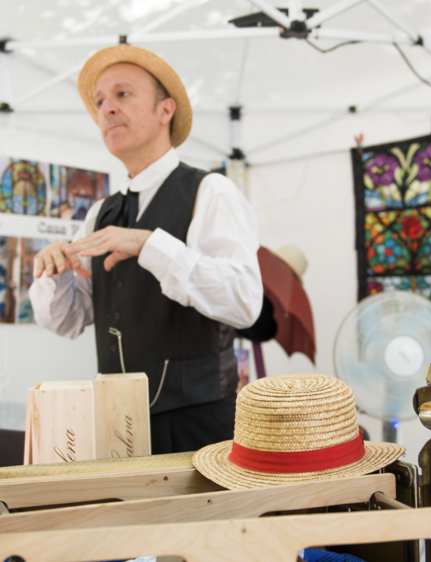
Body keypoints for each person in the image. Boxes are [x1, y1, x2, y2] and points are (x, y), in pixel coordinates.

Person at [29, 45, 264, 455]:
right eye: (100, 101)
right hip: (115, 425)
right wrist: (58, 275)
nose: (106, 109)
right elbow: (72, 320)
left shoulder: (211, 191)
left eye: (123, 94)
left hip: (199, 426)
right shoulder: (101, 211)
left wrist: (151, 245)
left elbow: (245, 302)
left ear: (164, 110)